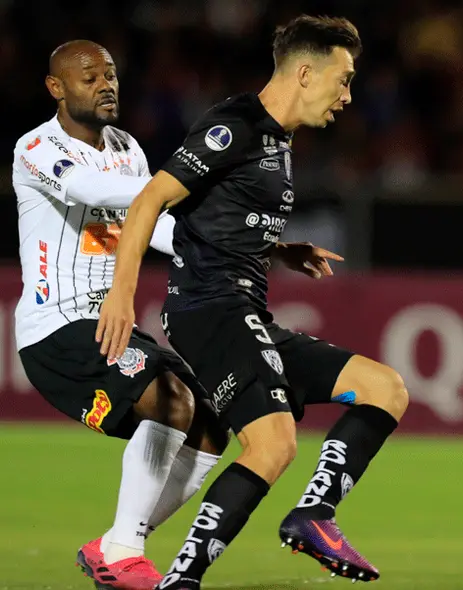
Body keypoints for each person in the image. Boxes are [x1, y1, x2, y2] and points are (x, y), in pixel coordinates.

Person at [96, 15, 409, 588]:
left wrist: (279, 250)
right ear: (306, 72)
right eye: (343, 80)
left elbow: (218, 217)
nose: (347, 96)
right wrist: (122, 295)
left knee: (384, 388)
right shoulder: (234, 126)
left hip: (244, 310)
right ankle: (181, 580)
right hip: (210, 309)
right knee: (272, 442)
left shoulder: (279, 141)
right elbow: (148, 203)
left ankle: (314, 514)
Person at [12, 40, 229, 589]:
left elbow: (151, 225)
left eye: (111, 74)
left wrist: (238, 241)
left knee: (211, 425)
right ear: (56, 88)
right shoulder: (35, 147)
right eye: (89, 77)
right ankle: (126, 553)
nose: (106, 84)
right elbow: (89, 188)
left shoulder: (126, 148)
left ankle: (112, 544)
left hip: (110, 323)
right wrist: (180, 187)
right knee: (171, 401)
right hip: (56, 328)